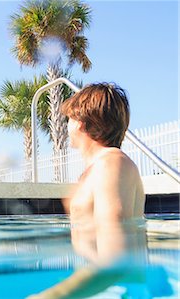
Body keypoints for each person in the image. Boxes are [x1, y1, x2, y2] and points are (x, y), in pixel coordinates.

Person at [28, 83, 147, 298]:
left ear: (81, 124)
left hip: (119, 291)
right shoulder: (99, 169)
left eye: (69, 119)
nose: (67, 126)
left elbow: (115, 261)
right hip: (105, 289)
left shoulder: (111, 164)